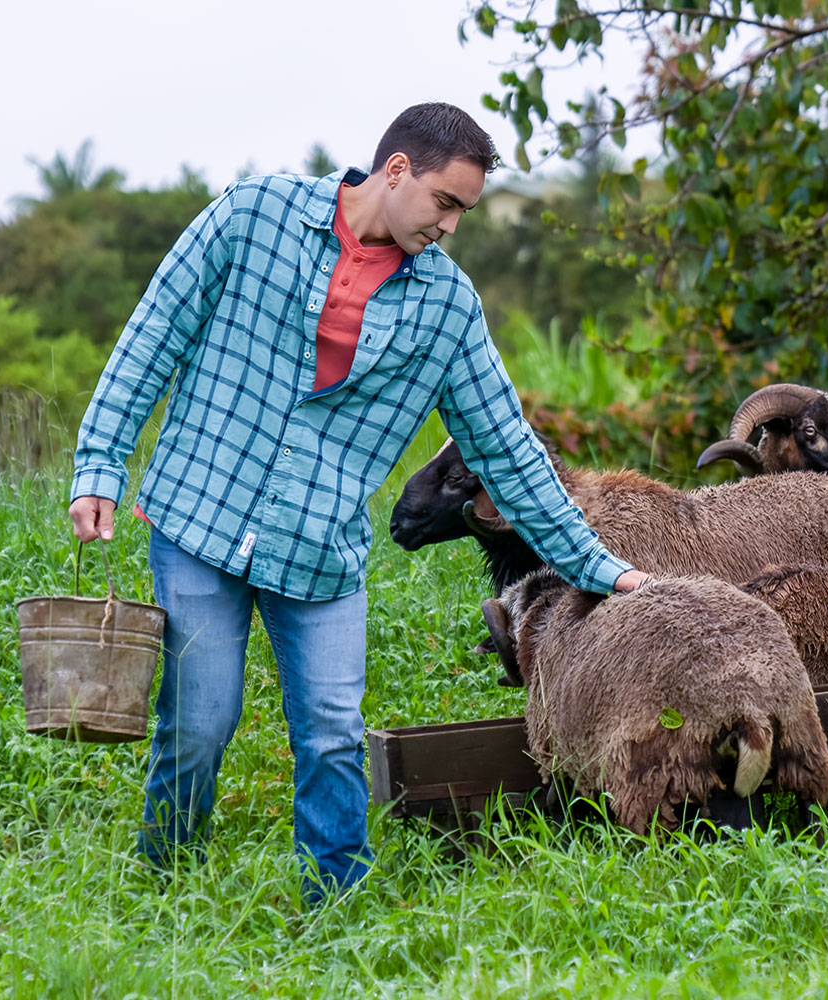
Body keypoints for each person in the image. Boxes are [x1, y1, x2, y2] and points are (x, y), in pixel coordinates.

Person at [67, 102, 648, 905]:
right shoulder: (252, 215)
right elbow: (151, 336)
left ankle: (334, 906)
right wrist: (98, 465)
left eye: (464, 213)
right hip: (200, 517)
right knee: (198, 726)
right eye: (445, 202)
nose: (450, 225)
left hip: (319, 549)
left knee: (334, 737)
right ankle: (166, 883)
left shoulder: (448, 308)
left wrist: (601, 569)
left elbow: (508, 450)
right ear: (397, 169)